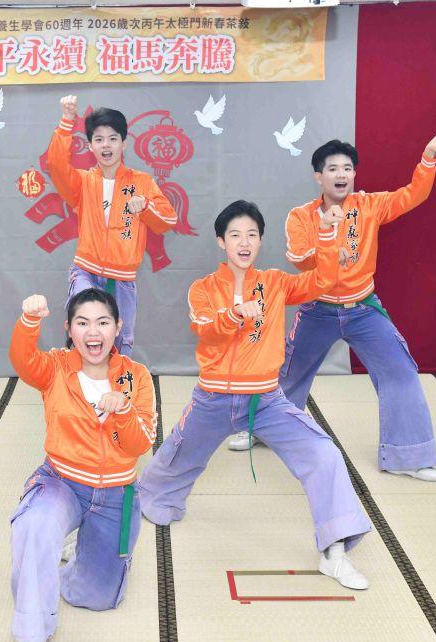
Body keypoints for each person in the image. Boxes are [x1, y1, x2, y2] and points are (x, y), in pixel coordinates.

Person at [138, 200, 373, 590]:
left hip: (266, 401)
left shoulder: (277, 282)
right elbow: (204, 327)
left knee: (325, 454)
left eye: (251, 235)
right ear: (221, 241)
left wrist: (328, 234)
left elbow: (323, 280)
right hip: (213, 399)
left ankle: (334, 553)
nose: (244, 243)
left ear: (261, 240)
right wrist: (234, 315)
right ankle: (115, 519)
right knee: (165, 472)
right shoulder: (203, 288)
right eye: (235, 235)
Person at [233, 134, 436, 483]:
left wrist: (428, 157)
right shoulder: (301, 216)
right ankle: (264, 431)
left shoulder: (369, 206)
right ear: (318, 176)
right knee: (288, 372)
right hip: (317, 310)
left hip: (363, 308)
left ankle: (407, 456)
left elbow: (413, 194)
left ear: (354, 174)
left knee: (400, 371)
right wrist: (327, 236)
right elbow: (301, 260)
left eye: (347, 168)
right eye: (332, 168)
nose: (341, 174)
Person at [8, 288, 156, 642]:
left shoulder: (137, 377)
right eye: (83, 323)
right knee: (35, 524)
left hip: (116, 494)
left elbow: (140, 444)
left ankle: (77, 559)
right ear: (69, 329)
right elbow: (23, 360)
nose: (93, 332)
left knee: (98, 597)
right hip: (61, 482)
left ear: (118, 327)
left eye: (103, 322)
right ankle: (31, 631)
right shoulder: (55, 367)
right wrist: (29, 322)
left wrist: (122, 411)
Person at [46, 95, 178, 356]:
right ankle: (78, 380)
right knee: (85, 329)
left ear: (123, 143)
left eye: (113, 138)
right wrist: (66, 121)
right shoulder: (82, 182)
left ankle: (118, 383)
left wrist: (146, 207)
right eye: (99, 139)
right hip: (86, 270)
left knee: (120, 343)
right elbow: (56, 165)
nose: (106, 145)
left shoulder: (141, 182)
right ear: (90, 146)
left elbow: (168, 220)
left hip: (122, 278)